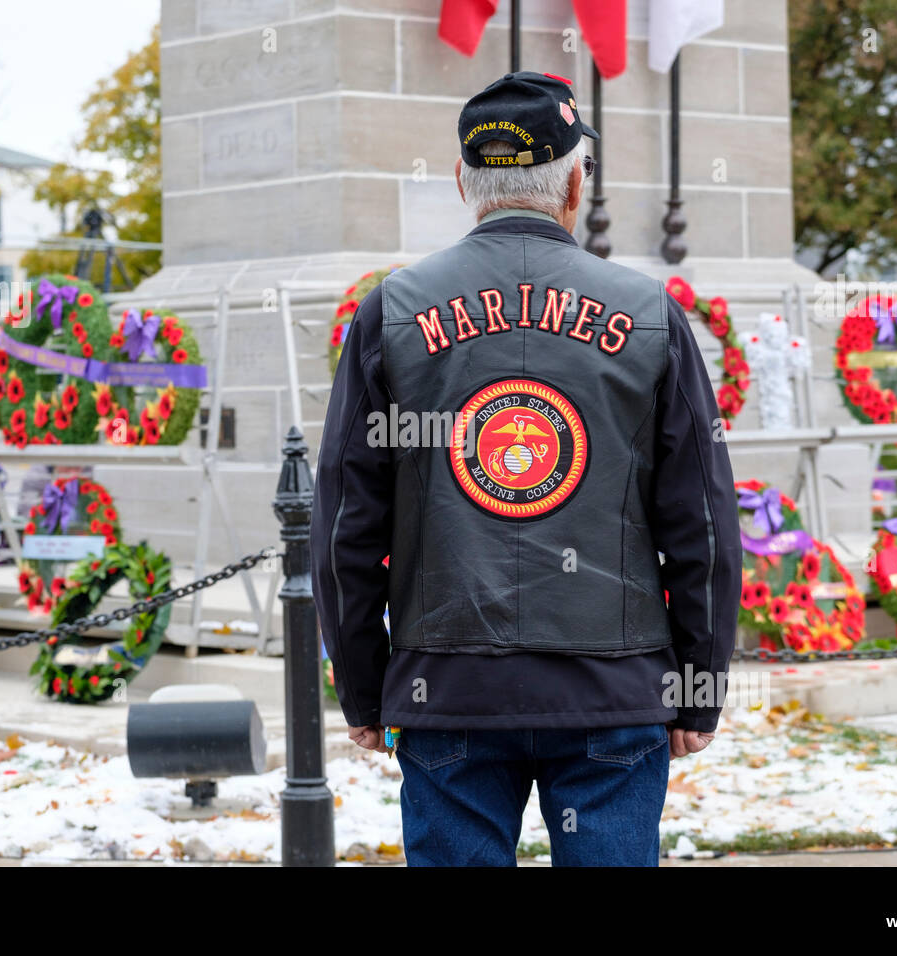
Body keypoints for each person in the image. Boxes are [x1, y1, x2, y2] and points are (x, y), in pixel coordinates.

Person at [311, 71, 741, 867]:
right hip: (612, 693)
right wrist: (698, 689)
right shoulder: (649, 313)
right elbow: (703, 523)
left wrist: (366, 688)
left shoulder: (391, 311)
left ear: (462, 183)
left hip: (450, 691)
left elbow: (345, 524)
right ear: (577, 183)